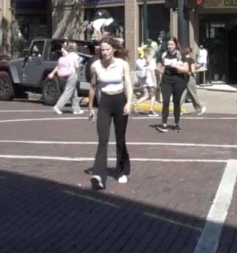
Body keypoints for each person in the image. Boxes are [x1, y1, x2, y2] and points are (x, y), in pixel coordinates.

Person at [86, 37, 133, 190]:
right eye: (102, 50)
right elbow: (93, 87)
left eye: (107, 49)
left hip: (120, 101)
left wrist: (129, 102)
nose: (105, 52)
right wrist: (91, 107)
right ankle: (99, 174)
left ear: (113, 49)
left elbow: (128, 83)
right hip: (104, 103)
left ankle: (121, 171)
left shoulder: (122, 64)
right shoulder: (95, 66)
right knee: (103, 139)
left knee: (120, 138)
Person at [156, 37, 190, 133]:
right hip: (166, 80)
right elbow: (158, 67)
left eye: (172, 44)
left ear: (176, 45)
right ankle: (164, 124)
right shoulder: (163, 54)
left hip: (178, 79)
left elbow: (186, 69)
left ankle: (176, 124)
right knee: (165, 101)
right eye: (168, 44)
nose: (170, 46)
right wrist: (160, 69)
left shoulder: (180, 55)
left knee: (176, 101)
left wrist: (175, 65)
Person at [49, 41, 83, 115]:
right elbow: (76, 66)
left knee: (74, 92)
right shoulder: (75, 56)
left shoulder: (66, 55)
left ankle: (76, 109)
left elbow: (59, 66)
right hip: (72, 74)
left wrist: (52, 73)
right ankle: (58, 106)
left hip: (64, 76)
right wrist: (81, 64)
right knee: (68, 92)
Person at [133, 46, 158, 116]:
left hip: (143, 80)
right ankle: (151, 110)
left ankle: (136, 103)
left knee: (146, 95)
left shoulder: (140, 61)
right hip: (150, 80)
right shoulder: (152, 61)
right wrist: (155, 82)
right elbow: (152, 71)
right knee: (153, 95)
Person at [180, 47, 206, 115]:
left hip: (183, 78)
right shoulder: (191, 60)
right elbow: (192, 71)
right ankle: (200, 108)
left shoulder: (182, 60)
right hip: (190, 78)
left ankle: (178, 109)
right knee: (193, 94)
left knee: (183, 94)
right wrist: (199, 69)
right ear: (190, 52)